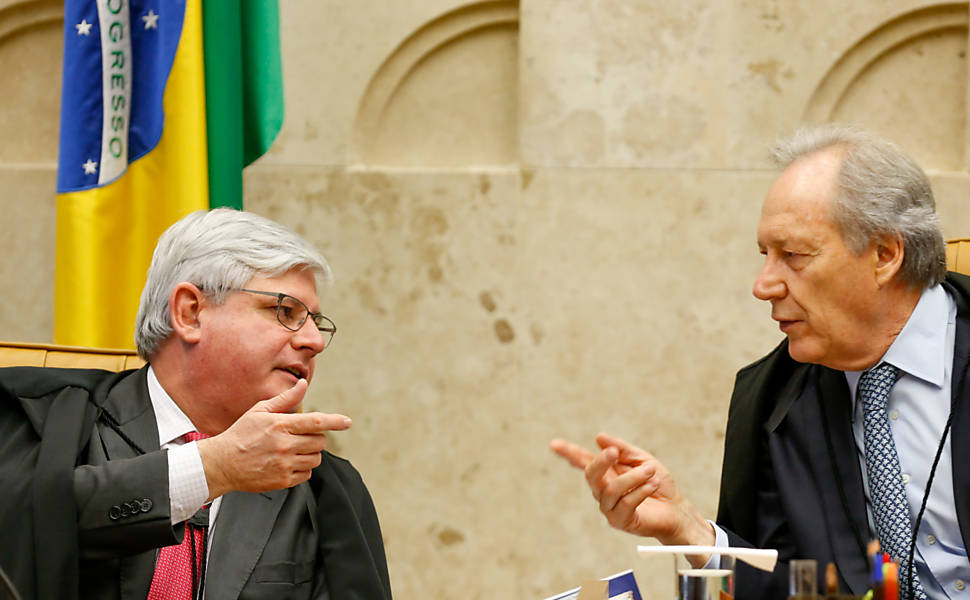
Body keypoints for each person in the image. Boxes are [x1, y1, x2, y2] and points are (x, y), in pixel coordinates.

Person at [551, 125, 970, 599]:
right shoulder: (773, 400)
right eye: (764, 255)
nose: (763, 285)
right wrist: (688, 530)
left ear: (885, 254)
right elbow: (799, 589)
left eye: (793, 255)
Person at [0, 208, 392, 599]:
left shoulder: (324, 487)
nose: (314, 340)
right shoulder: (41, 417)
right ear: (190, 312)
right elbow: (25, 523)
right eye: (285, 311)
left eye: (315, 321)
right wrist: (211, 468)